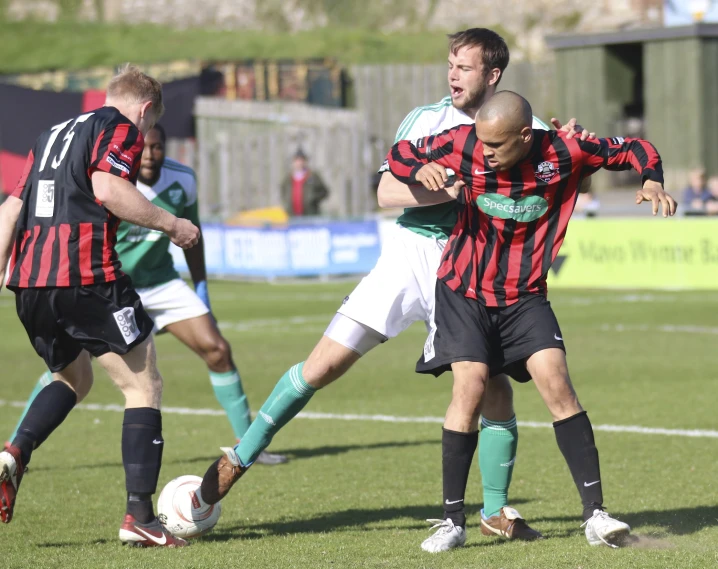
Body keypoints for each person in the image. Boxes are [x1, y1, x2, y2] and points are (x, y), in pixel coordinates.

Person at [197, 29, 587, 548]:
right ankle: (240, 456)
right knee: (324, 365)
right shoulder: (426, 120)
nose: (452, 74)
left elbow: (559, 177)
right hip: (409, 255)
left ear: (493, 76)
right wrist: (443, 187)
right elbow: (384, 190)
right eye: (450, 64)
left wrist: (573, 152)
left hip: (474, 265)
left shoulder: (526, 126)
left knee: (493, 388)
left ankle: (494, 510)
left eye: (465, 67)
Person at [387, 90, 677, 548]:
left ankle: (596, 517)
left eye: (496, 146)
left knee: (557, 384)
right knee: (472, 386)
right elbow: (400, 152)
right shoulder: (463, 142)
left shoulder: (566, 151)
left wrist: (652, 179)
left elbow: (635, 148)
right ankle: (453, 522)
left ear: (526, 136)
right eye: (481, 143)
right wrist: (416, 168)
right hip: (464, 290)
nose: (484, 152)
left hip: (524, 297)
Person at [0, 65, 200, 547]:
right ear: (147, 109)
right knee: (143, 383)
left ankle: (13, 454)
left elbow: (11, 207)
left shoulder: (50, 134)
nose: (146, 137)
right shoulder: (119, 127)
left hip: (30, 283)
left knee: (74, 378)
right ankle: (140, 519)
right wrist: (173, 225)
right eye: (150, 128)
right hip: (85, 275)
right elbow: (110, 190)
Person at [7, 124, 287, 465]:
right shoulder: (112, 179)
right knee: (69, 373)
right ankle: (15, 450)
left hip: (163, 284)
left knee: (217, 350)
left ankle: (249, 447)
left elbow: (192, 235)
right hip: (113, 286)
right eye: (147, 148)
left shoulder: (182, 179)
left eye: (159, 147)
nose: (152, 154)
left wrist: (201, 289)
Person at [280, 149, 329, 216]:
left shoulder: (312, 177)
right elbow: (283, 191)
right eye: (297, 160)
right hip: (292, 216)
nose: (299, 163)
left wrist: (313, 199)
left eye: (301, 160)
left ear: (305, 162)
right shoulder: (288, 179)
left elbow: (324, 192)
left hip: (310, 215)